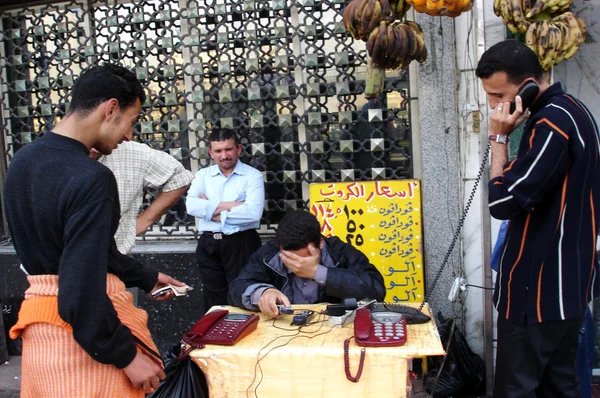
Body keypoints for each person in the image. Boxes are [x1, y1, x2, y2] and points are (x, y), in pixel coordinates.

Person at [3, 64, 186, 397]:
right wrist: (127, 356)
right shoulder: (92, 177)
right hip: (85, 350)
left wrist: (143, 276)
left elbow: (69, 252)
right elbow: (78, 290)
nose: (129, 136)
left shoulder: (22, 162)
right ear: (111, 109)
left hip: (41, 340)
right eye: (131, 122)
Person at [476, 39, 600, 397]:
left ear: (529, 85)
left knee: (519, 388)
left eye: (499, 95)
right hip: (566, 287)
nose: (494, 105)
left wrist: (499, 139)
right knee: (560, 386)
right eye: (488, 96)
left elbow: (503, 203)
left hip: (538, 291)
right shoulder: (573, 111)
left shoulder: (552, 124)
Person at [228, 210, 386, 318]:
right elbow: (236, 288)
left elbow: (376, 289)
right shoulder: (269, 254)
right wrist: (262, 293)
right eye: (290, 258)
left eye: (305, 258)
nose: (297, 265)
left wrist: (318, 272)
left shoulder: (339, 252)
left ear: (321, 243)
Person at [186, 129, 265, 315]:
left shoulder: (253, 176)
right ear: (211, 153)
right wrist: (232, 206)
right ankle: (216, 339)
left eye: (228, 149)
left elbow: (253, 213)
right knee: (213, 300)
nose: (224, 155)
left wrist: (210, 210)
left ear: (239, 149)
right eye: (218, 151)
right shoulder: (203, 175)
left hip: (241, 242)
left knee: (243, 295)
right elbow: (191, 206)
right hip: (209, 244)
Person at [91, 140, 193, 254]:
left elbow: (179, 178)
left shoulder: (132, 152)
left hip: (116, 258)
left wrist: (145, 219)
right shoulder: (67, 157)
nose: (95, 149)